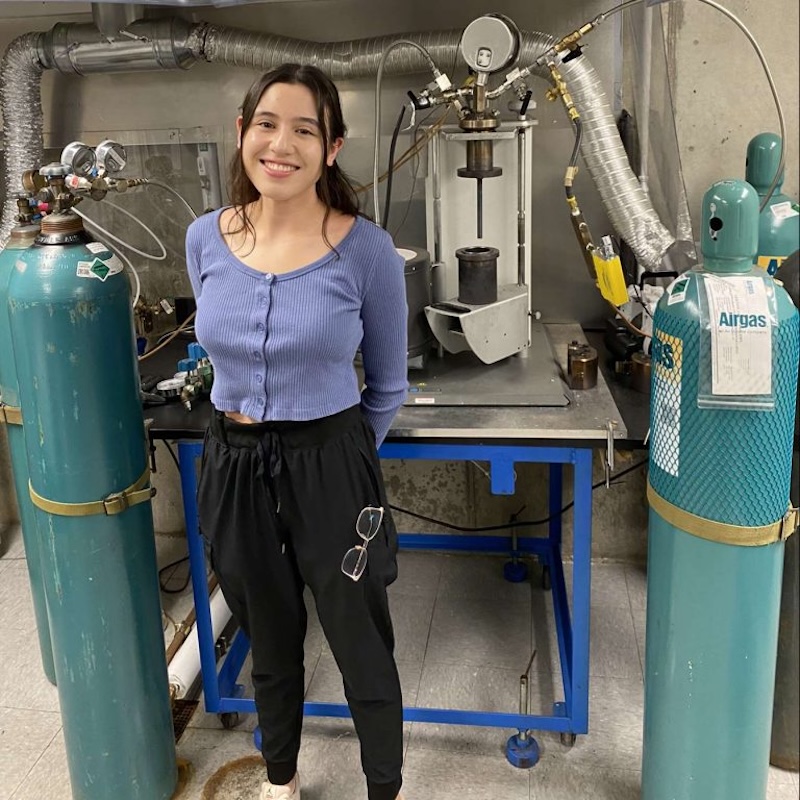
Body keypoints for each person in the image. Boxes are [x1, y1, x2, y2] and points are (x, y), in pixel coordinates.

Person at [185, 63, 408, 800]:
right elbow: (218, 345)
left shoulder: (365, 250)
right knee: (269, 641)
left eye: (305, 129)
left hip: (332, 462)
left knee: (360, 640)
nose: (282, 144)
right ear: (242, 133)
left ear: (332, 147)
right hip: (234, 463)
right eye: (267, 124)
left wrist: (338, 459)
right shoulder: (204, 240)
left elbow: (388, 383)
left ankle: (385, 788)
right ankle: (280, 781)